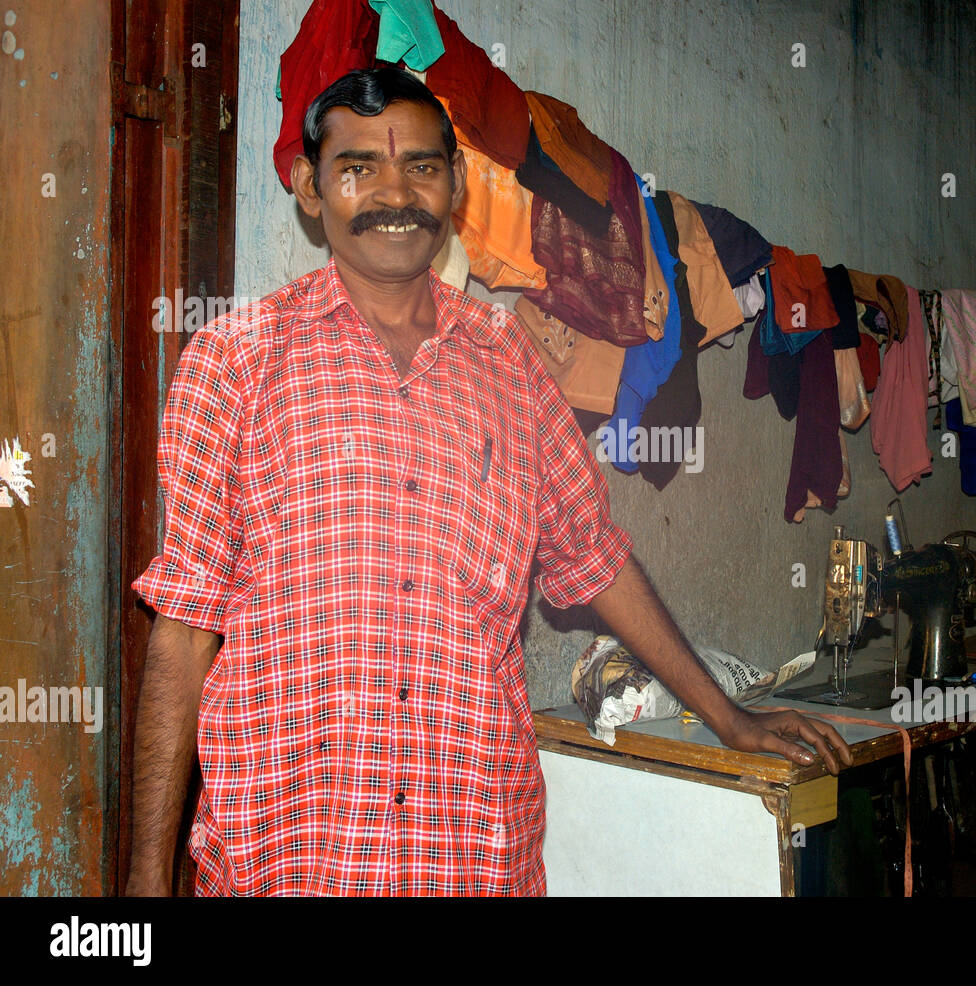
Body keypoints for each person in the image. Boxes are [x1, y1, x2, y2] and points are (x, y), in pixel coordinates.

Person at [126, 68, 850, 897]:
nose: (395, 193)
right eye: (359, 167)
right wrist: (144, 896)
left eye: (423, 167)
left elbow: (594, 557)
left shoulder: (511, 366)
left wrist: (728, 715)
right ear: (309, 187)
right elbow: (183, 630)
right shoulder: (235, 362)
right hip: (289, 857)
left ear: (457, 184)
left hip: (469, 853)